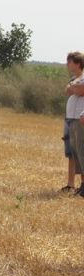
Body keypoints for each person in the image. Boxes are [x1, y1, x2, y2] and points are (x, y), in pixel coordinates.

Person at [64, 51, 84, 196]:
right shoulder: (75, 78)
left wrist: (74, 87)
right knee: (76, 153)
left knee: (81, 152)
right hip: (72, 118)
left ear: (78, 63)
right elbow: (68, 90)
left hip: (80, 119)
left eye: (69, 61)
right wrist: (73, 87)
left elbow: (79, 90)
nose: (67, 64)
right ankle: (82, 185)